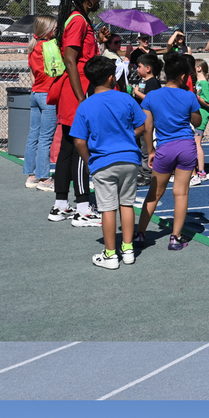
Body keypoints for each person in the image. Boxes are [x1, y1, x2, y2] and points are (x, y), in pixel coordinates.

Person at [69, 55, 145, 270]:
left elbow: (78, 140)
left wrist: (88, 161)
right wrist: (129, 135)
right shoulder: (127, 98)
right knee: (127, 203)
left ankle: (111, 254)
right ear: (112, 78)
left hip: (102, 161)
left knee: (107, 208)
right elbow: (142, 124)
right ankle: (128, 249)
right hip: (129, 159)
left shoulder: (85, 105)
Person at [49, 0, 108, 225]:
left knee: (68, 148)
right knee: (82, 148)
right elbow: (71, 60)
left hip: (77, 88)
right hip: (78, 89)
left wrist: (100, 43)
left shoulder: (81, 20)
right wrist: (82, 98)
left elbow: (82, 56)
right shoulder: (77, 19)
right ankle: (83, 207)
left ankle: (61, 204)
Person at [135, 53, 201, 252]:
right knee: (181, 193)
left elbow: (147, 127)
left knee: (154, 194)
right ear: (183, 76)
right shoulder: (188, 95)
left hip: (164, 147)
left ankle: (140, 234)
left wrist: (150, 150)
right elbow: (197, 122)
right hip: (186, 146)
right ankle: (175, 237)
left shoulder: (153, 96)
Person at [24, 15, 58, 192]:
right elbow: (57, 70)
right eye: (55, 27)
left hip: (36, 93)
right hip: (47, 94)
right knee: (45, 138)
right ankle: (44, 177)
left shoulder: (33, 46)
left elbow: (32, 74)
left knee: (33, 135)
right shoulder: (49, 46)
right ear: (47, 29)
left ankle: (31, 175)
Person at [131, 53, 163, 185]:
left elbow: (151, 100)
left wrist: (137, 93)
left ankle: (147, 174)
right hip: (140, 120)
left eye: (139, 67)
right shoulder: (143, 81)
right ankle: (141, 171)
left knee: (146, 148)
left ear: (148, 68)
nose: (137, 69)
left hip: (147, 121)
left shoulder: (153, 83)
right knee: (139, 146)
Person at [192, 59, 209, 183]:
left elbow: (208, 102)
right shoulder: (198, 82)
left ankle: (201, 170)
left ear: (199, 68)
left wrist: (197, 97)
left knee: (197, 143)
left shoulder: (204, 83)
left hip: (202, 115)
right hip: (197, 114)